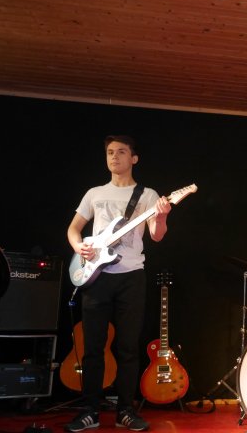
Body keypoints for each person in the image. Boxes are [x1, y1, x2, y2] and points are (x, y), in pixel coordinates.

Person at [65, 135, 172, 432]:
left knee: (128, 348)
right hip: (96, 276)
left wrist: (162, 216)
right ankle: (89, 410)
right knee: (92, 347)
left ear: (133, 158)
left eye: (121, 152)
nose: (114, 157)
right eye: (110, 152)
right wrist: (79, 247)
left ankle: (125, 410)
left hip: (131, 276)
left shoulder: (148, 195)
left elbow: (156, 235)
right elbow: (74, 229)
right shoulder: (94, 193)